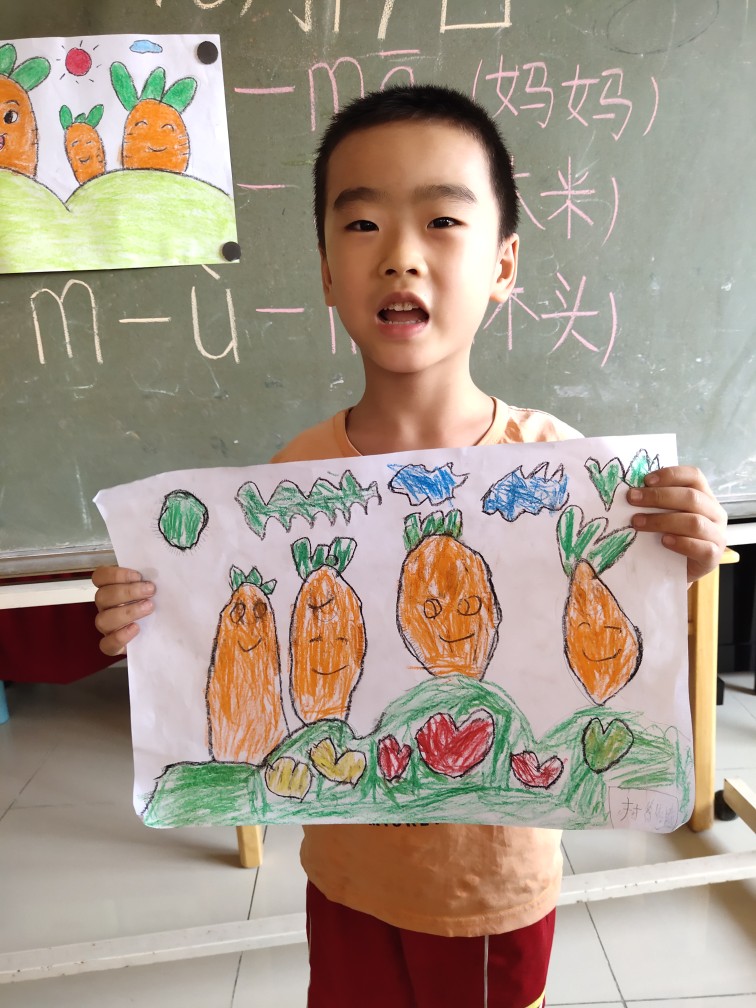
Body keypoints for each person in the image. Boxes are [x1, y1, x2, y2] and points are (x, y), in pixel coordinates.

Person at [92, 85, 727, 1008]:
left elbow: (617, 630)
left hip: (491, 899)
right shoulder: (289, 482)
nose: (399, 255)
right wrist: (146, 620)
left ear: (503, 263)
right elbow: (234, 643)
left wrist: (682, 552)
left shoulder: (567, 470)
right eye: (361, 225)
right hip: (342, 876)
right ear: (325, 272)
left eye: (442, 220)